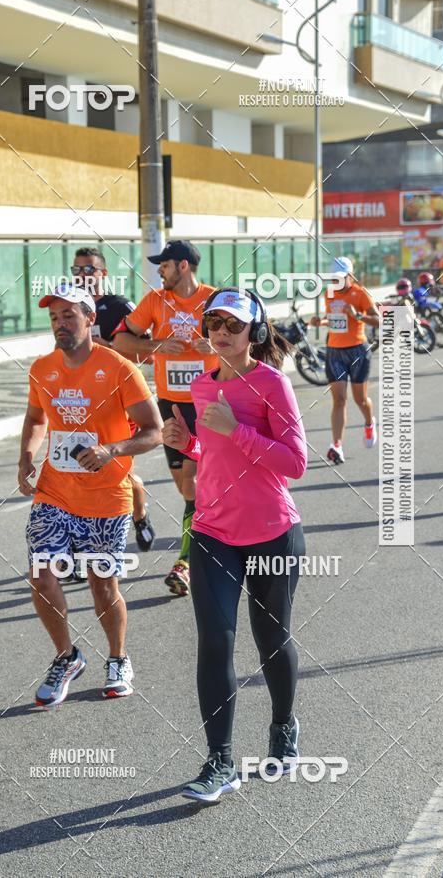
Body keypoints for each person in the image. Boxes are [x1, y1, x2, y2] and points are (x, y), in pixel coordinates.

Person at [162, 288, 307, 803]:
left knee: (271, 639)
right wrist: (188, 443)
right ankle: (219, 760)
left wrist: (237, 429)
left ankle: (283, 725)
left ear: (255, 331)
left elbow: (295, 462)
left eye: (233, 324)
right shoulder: (202, 385)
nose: (222, 331)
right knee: (216, 641)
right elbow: (214, 449)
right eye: (214, 322)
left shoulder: (272, 383)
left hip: (271, 531)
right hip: (213, 532)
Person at [18, 283, 163, 706]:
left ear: (90, 318)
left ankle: (118, 658)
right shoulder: (42, 369)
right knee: (41, 575)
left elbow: (154, 431)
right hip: (56, 492)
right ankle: (66, 657)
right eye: (54, 318)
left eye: (68, 316)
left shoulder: (119, 368)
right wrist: (26, 458)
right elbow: (35, 418)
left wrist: (111, 450)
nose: (60, 324)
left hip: (106, 496)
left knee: (103, 586)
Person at [113, 240, 217, 597]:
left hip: (207, 405)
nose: (160, 270)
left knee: (193, 483)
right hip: (170, 406)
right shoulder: (155, 301)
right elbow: (121, 342)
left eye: (165, 264)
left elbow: (247, 340)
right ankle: (210, 540)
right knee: (187, 489)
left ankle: (184, 564)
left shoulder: (214, 300)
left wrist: (216, 345)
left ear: (183, 266)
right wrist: (155, 346)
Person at [70, 247, 156, 560]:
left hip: (121, 399)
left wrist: (106, 346)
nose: (82, 276)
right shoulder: (70, 307)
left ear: (103, 273)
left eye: (88, 269)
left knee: (114, 468)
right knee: (78, 468)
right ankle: (78, 548)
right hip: (81, 401)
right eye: (77, 270)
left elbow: (148, 353)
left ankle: (139, 513)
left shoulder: (120, 307)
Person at [309, 257, 379, 465]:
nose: (336, 282)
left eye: (340, 278)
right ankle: (337, 446)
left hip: (358, 350)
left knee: (360, 399)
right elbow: (333, 319)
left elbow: (378, 320)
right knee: (339, 400)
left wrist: (357, 315)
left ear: (350, 276)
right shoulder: (329, 294)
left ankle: (369, 423)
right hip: (335, 351)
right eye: (333, 279)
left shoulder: (361, 293)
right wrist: (320, 322)